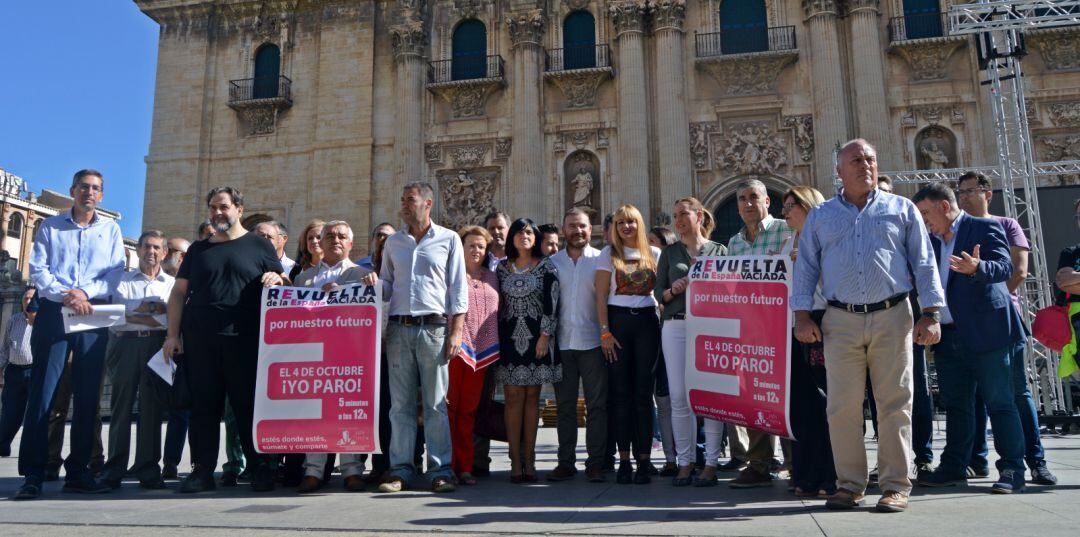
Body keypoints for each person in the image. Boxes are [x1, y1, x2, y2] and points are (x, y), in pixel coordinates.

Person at [794, 139, 944, 513]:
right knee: (842, 406)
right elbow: (806, 268)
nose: (866, 166)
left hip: (893, 314)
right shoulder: (822, 216)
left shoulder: (901, 208)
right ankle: (849, 485)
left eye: (871, 159)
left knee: (894, 402)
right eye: (856, 160)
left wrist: (932, 312)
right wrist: (801, 315)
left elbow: (924, 263)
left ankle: (895, 484)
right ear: (840, 172)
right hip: (840, 318)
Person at [162, 186, 285, 494]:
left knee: (248, 408)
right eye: (213, 207)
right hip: (200, 342)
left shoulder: (260, 246)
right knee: (203, 408)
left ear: (239, 210)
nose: (218, 213)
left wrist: (278, 278)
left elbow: (284, 284)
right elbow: (178, 293)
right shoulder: (198, 250)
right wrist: (173, 335)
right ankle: (201, 471)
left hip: (245, 342)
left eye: (224, 207)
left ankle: (260, 469)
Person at [15, 169, 126, 500]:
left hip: (91, 314)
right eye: (83, 187)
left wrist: (83, 294)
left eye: (95, 189)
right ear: (73, 190)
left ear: (101, 195)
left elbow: (115, 272)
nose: (89, 193)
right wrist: (68, 295)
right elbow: (39, 270)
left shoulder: (111, 230)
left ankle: (79, 471)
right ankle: (34, 473)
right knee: (43, 395)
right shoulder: (50, 226)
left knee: (88, 396)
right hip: (54, 312)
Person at [913, 182, 1028, 494]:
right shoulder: (930, 241)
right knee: (957, 405)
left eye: (926, 212)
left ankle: (1013, 469)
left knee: (1000, 402)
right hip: (949, 336)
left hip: (987, 333)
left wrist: (978, 267)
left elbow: (1006, 267)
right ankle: (953, 467)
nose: (924, 220)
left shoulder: (983, 228)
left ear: (945, 207)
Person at [955, 171, 1057, 486]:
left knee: (1015, 392)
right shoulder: (956, 230)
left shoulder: (1006, 224)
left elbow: (1020, 270)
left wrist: (996, 298)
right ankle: (978, 460)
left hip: (1002, 320)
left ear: (988, 193)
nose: (965, 197)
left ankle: (1035, 461)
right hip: (967, 323)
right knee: (973, 396)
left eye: (971, 191)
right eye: (961, 192)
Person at [377, 182, 467, 494]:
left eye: (410, 200)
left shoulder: (449, 239)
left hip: (434, 329)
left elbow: (458, 290)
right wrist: (371, 286)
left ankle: (440, 470)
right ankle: (400, 469)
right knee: (399, 406)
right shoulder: (394, 243)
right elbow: (387, 285)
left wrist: (456, 331)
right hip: (399, 330)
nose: (403, 205)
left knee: (435, 404)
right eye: (402, 200)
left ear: (427, 203)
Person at [293, 220, 378, 493]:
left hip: (350, 356)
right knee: (313, 413)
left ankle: (352, 470)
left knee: (348, 411)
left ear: (351, 244)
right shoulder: (303, 279)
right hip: (313, 355)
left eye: (342, 236)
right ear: (321, 241)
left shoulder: (363, 276)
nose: (335, 240)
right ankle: (313, 471)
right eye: (329, 236)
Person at [654, 198, 728, 487]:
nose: (678, 220)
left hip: (710, 324)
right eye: (674, 216)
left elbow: (733, 286)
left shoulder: (719, 250)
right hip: (676, 324)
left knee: (711, 397)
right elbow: (658, 291)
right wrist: (673, 290)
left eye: (684, 214)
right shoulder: (669, 253)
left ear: (699, 216)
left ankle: (710, 463)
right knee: (678, 396)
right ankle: (685, 462)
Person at [725, 179, 792, 489]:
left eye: (754, 197)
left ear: (768, 201)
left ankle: (795, 461)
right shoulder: (735, 243)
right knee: (754, 399)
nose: (747, 203)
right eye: (741, 199)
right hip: (752, 330)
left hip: (784, 327)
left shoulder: (785, 230)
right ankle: (759, 463)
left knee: (790, 398)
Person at [101, 230, 175, 490]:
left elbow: (169, 318)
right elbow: (116, 316)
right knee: (121, 407)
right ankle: (114, 468)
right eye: (146, 246)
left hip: (157, 347)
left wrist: (138, 311)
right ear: (138, 250)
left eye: (156, 247)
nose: (150, 252)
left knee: (152, 408)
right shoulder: (121, 281)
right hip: (124, 345)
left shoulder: (171, 284)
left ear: (164, 253)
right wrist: (153, 310)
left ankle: (148, 468)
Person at [596, 204, 661, 485]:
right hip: (618, 323)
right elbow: (599, 297)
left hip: (647, 322)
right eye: (621, 223)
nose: (626, 227)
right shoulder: (607, 255)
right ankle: (624, 460)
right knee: (620, 394)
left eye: (631, 222)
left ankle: (644, 460)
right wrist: (605, 333)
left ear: (639, 225)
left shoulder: (655, 254)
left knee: (643, 395)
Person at [780, 186, 837, 497]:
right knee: (801, 405)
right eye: (784, 206)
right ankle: (804, 474)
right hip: (793, 326)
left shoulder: (826, 240)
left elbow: (836, 282)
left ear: (809, 206)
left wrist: (805, 262)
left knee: (824, 402)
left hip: (821, 322)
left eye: (791, 205)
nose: (785, 212)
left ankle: (830, 475)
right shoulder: (789, 242)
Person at [496, 218, 561, 483]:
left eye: (529, 233)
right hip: (509, 340)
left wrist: (545, 335)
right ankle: (514, 459)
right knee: (512, 398)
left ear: (535, 237)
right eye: (519, 232)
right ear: (511, 237)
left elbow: (553, 303)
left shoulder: (546, 266)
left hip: (537, 339)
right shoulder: (501, 268)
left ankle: (530, 459)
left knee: (533, 398)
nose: (524, 236)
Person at [547, 208, 608, 483]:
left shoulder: (601, 260)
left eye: (582, 226)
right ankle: (565, 461)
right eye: (572, 226)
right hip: (562, 343)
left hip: (594, 341)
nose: (578, 231)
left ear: (590, 228)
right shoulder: (552, 263)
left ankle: (596, 461)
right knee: (565, 406)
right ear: (564, 231)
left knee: (597, 405)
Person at [450, 226, 499, 486]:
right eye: (471, 245)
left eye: (481, 246)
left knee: (469, 411)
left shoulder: (492, 278)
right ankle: (448, 465)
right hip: (455, 351)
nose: (476, 250)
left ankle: (465, 467)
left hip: (483, 353)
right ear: (461, 247)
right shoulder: (452, 276)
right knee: (450, 410)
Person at [473, 210, 511, 476]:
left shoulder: (517, 261)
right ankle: (477, 459)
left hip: (512, 339)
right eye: (492, 229)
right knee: (479, 400)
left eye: (500, 228)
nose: (497, 233)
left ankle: (520, 459)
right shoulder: (478, 264)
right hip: (482, 340)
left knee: (518, 398)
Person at [645, 225, 679, 477]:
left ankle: (690, 455)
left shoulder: (661, 257)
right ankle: (671, 458)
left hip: (672, 330)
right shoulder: (658, 259)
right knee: (664, 400)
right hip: (656, 335)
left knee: (677, 400)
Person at [0, 288, 37, 458]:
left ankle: (29, 452)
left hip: (34, 370)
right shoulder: (14, 320)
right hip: (14, 371)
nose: (28, 302)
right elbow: (5, 348)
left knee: (33, 413)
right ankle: (3, 444)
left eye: (31, 299)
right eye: (25, 299)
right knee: (10, 412)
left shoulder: (41, 321)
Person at [1055, 198, 1080, 379]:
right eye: (1079, 216)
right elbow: (1063, 281)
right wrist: (1070, 281)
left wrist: (1076, 280)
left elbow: (1071, 281)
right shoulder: (1070, 252)